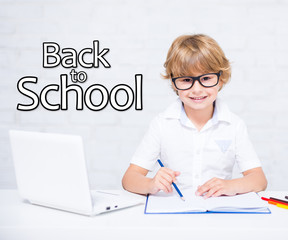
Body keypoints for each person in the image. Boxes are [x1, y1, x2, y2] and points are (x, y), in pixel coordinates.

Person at [122, 34, 267, 199]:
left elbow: (259, 180)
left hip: (218, 213)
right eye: (186, 80)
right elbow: (129, 179)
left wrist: (230, 185)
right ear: (173, 82)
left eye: (206, 78)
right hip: (174, 213)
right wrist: (151, 184)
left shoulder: (234, 125)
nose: (197, 89)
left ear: (221, 79)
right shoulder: (162, 124)